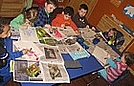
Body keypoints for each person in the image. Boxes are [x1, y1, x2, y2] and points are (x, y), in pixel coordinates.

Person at [0, 18, 29, 86]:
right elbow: (8, 56)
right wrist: (21, 53)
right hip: (2, 69)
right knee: (6, 77)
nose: (9, 32)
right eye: (7, 32)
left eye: (9, 29)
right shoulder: (1, 51)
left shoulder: (2, 38)